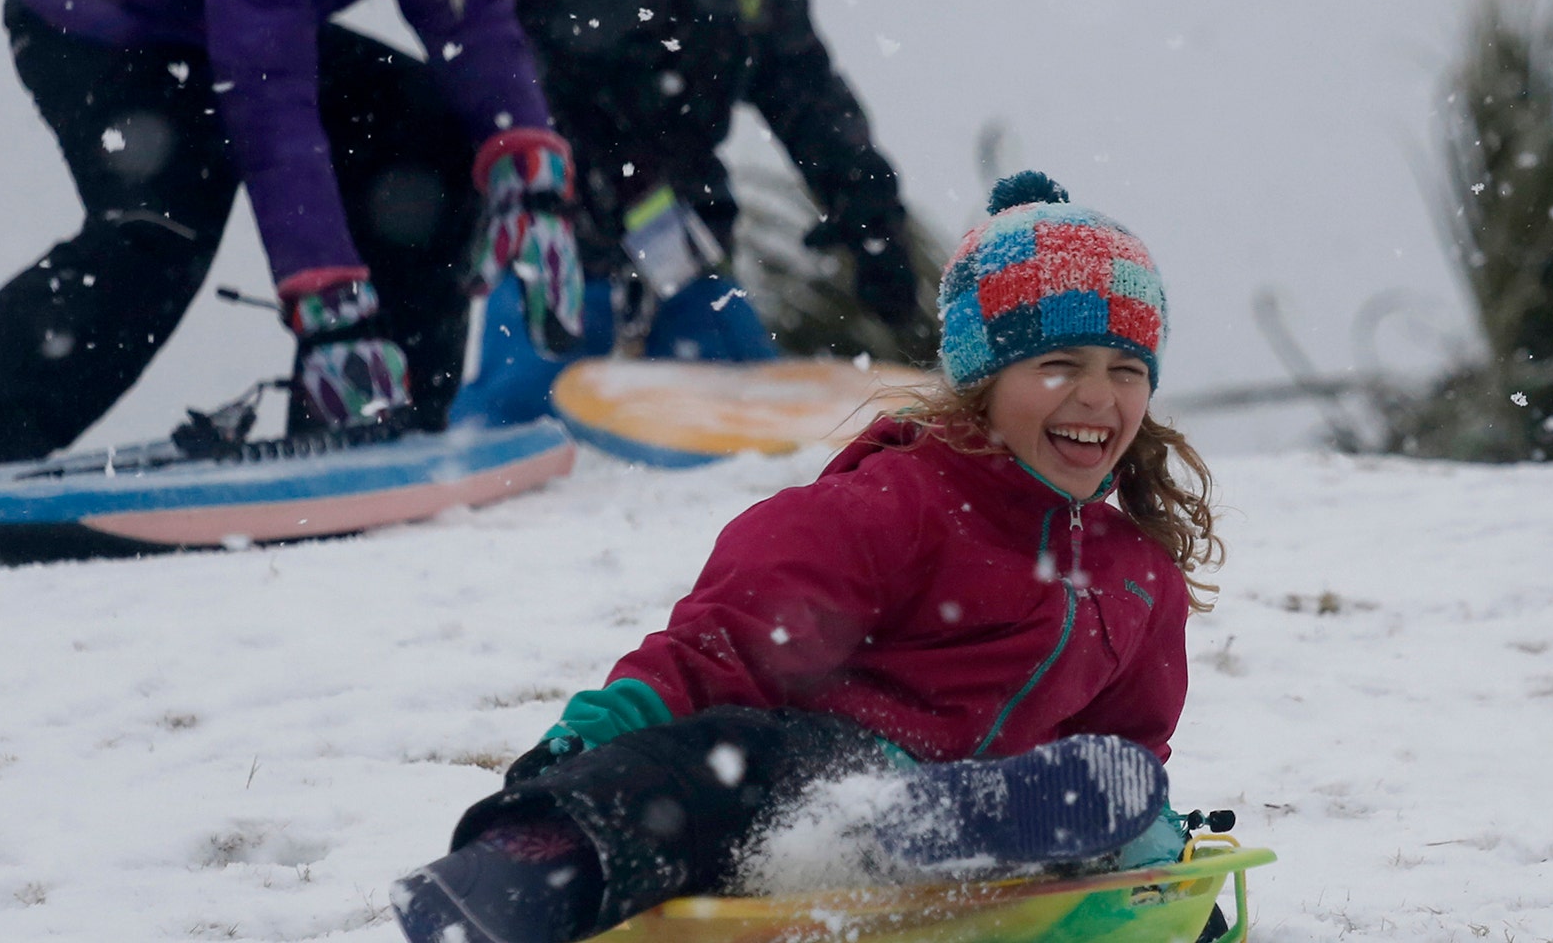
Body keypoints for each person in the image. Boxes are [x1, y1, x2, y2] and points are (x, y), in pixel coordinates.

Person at [392, 171, 1226, 943]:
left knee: (1116, 788)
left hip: (1007, 831)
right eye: (1058, 364)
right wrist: (590, 741)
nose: (1097, 396)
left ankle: (954, 836)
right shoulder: (902, 503)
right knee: (726, 761)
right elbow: (720, 648)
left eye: (1126, 369)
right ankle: (522, 873)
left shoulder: (1137, 576)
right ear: (983, 379)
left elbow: (1132, 747)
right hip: (821, 786)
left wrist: (1180, 893)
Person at [0, 0, 584, 478]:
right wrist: (328, 304)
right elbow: (272, 108)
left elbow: (473, 22)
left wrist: (533, 171)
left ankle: (383, 421)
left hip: (214, 17)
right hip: (98, 27)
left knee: (427, 135)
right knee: (157, 233)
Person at [447, 0, 920, 426]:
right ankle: (467, 475)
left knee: (745, 409)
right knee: (520, 403)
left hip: (680, 233)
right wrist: (569, 149)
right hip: (559, 226)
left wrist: (871, 214)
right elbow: (489, 48)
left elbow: (810, 96)